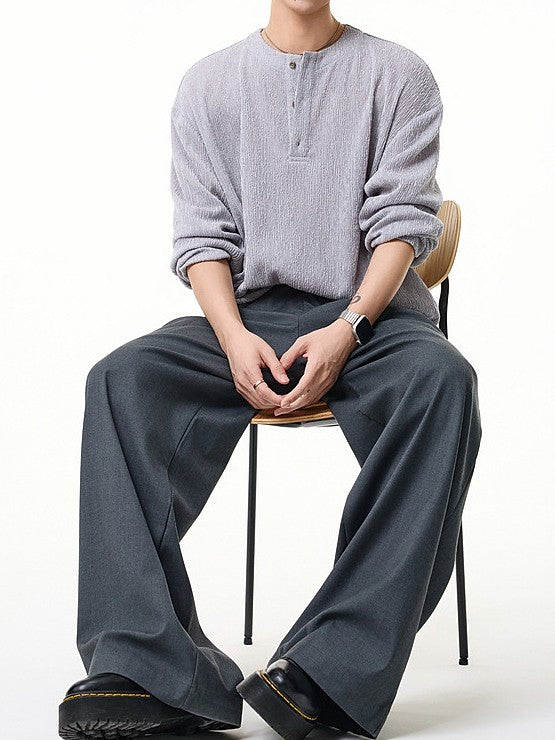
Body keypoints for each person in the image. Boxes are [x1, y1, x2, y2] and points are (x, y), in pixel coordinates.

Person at [58, 2, 483, 739]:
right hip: (248, 319)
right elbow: (203, 237)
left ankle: (329, 670)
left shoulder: (399, 74)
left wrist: (349, 327)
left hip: (370, 321)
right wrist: (230, 337)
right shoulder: (208, 84)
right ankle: (145, 668)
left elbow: (405, 222)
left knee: (444, 380)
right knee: (120, 379)